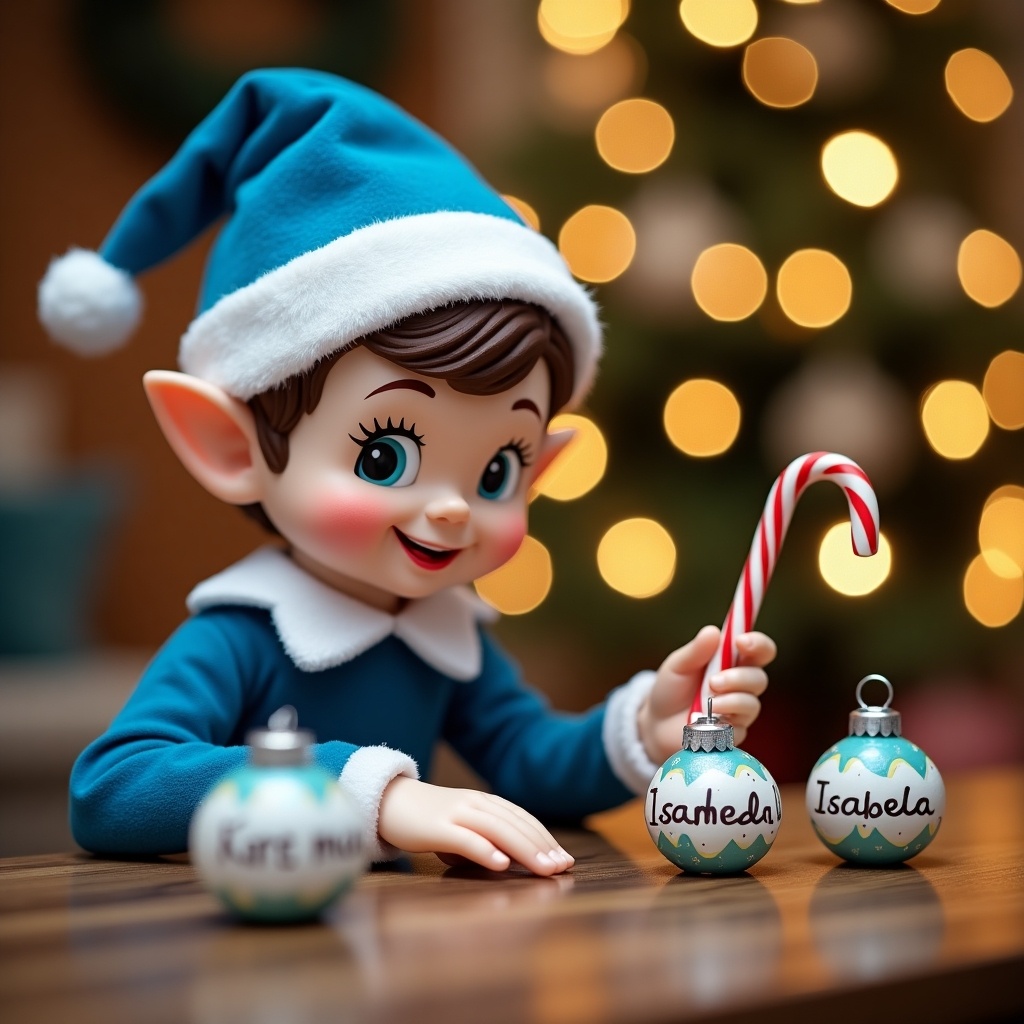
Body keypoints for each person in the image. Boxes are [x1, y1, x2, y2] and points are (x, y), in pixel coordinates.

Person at [40, 69, 774, 876]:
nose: (454, 509)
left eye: (498, 470)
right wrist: (371, 794)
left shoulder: (440, 629)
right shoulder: (244, 636)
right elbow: (112, 787)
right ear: (229, 445)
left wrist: (642, 730)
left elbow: (529, 760)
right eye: (384, 455)